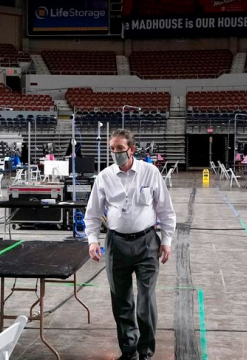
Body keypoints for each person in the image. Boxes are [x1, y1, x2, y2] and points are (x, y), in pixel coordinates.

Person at [84, 129, 176, 360]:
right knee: (121, 301)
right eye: (112, 149)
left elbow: (166, 210)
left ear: (131, 150)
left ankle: (145, 351)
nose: (115, 153)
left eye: (120, 149)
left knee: (145, 300)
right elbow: (92, 213)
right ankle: (129, 350)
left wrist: (166, 241)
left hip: (147, 244)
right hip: (116, 245)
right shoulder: (105, 176)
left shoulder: (150, 172)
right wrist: (92, 241)